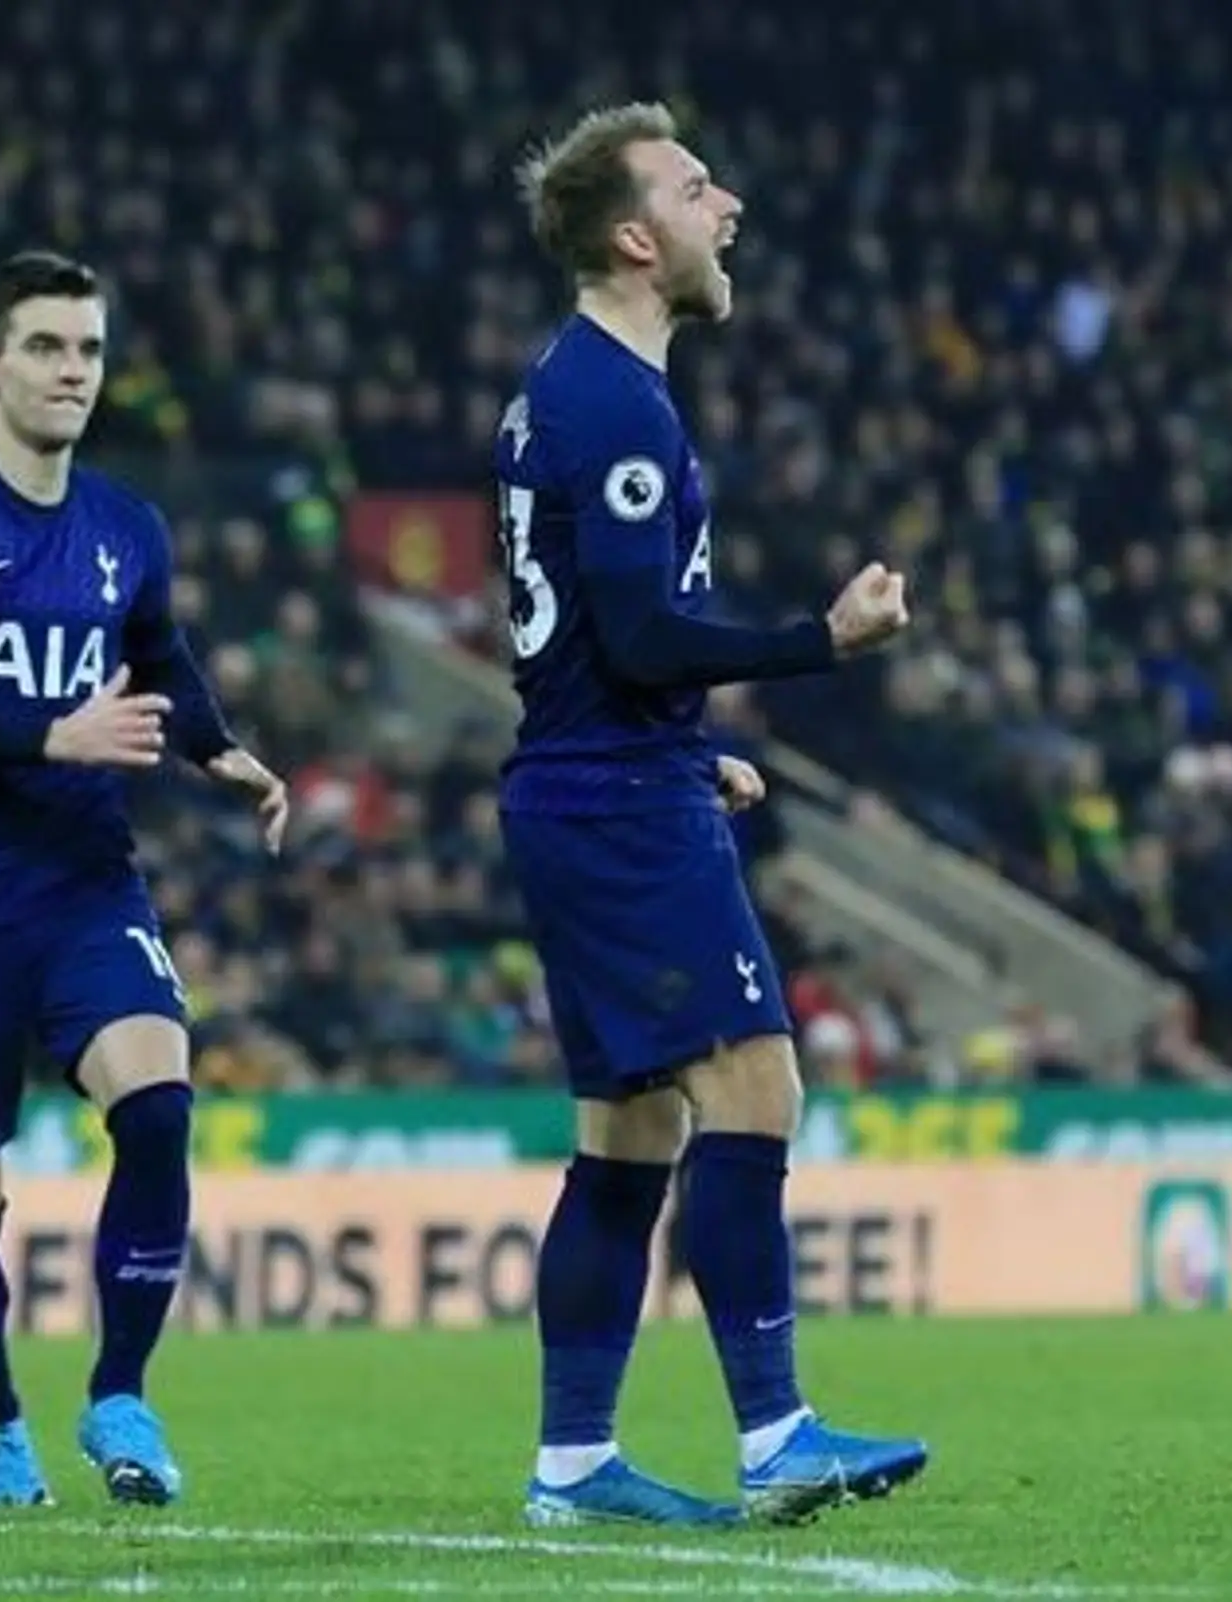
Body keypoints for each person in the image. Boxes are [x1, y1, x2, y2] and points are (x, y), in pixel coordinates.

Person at [494, 103, 929, 1529]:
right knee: (754, 1086)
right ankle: (777, 1430)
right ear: (635, 236)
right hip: (615, 804)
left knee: (626, 1132)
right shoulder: (612, 403)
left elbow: (606, 652)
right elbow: (636, 628)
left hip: (597, 782)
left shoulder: (569, 388)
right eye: (694, 187)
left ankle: (573, 1461)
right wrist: (820, 639)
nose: (725, 203)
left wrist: (692, 746)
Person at [0, 251, 288, 1507]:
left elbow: (160, 657)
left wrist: (220, 749)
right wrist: (51, 734)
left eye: (89, 352)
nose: (71, 373)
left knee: (155, 1104)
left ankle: (121, 1396)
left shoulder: (124, 528)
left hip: (83, 881)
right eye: (45, 348)